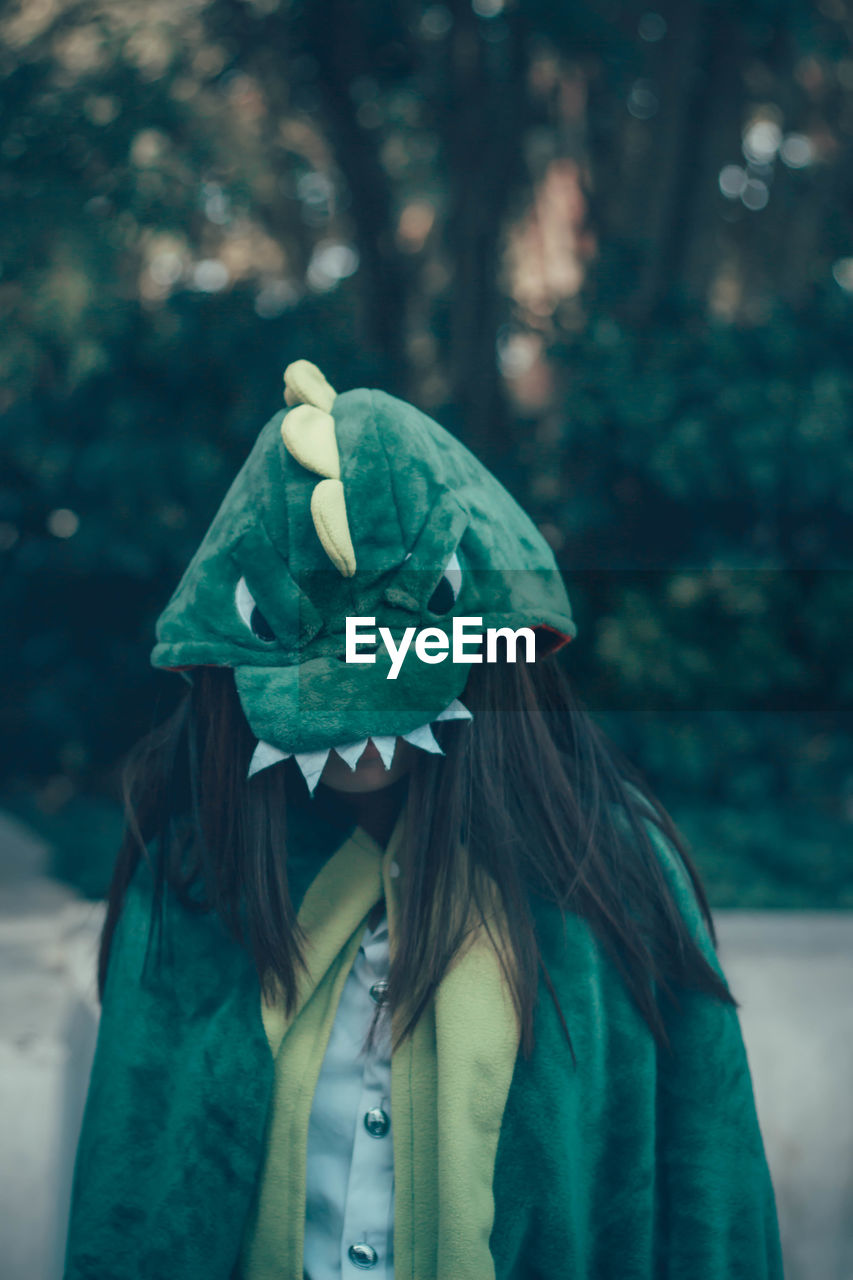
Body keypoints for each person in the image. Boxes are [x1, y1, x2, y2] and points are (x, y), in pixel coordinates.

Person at [64, 361, 784, 1280]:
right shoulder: (195, 883)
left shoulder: (611, 872)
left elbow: (708, 1194)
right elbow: (125, 1211)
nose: (353, 718)